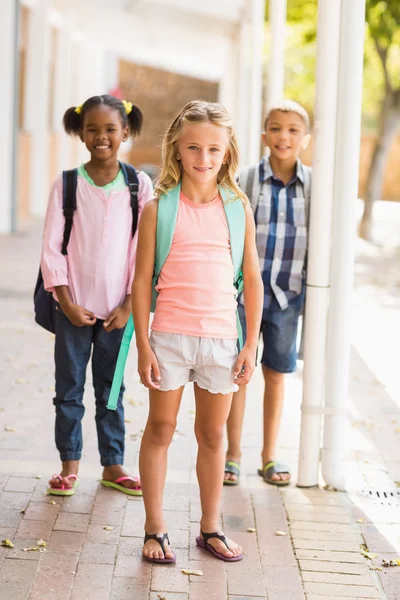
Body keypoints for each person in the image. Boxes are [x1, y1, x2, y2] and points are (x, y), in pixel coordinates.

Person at [131, 100, 263, 563]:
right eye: (193, 148)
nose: (203, 158)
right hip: (169, 337)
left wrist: (250, 343)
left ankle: (210, 527)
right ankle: (156, 528)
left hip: (223, 341)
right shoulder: (158, 208)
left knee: (213, 436)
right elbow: (141, 282)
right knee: (161, 428)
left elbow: (252, 278)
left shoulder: (237, 207)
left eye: (213, 149)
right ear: (177, 149)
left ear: (227, 152)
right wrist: (144, 344)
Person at [41, 94, 153, 496]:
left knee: (112, 391)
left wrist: (128, 306)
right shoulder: (67, 183)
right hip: (71, 310)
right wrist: (66, 301)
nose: (101, 137)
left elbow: (146, 249)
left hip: (118, 316)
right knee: (68, 388)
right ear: (80, 132)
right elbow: (52, 247)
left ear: (125, 131)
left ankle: (113, 464)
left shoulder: (139, 186)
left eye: (110, 129)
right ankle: (69, 465)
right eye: (93, 129)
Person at [224, 100, 312, 487]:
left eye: (293, 130)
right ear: (264, 135)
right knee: (239, 373)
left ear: (304, 139)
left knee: (277, 375)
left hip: (287, 296)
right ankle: (232, 456)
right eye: (276, 128)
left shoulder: (312, 186)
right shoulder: (246, 179)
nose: (284, 136)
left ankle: (270, 455)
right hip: (245, 296)